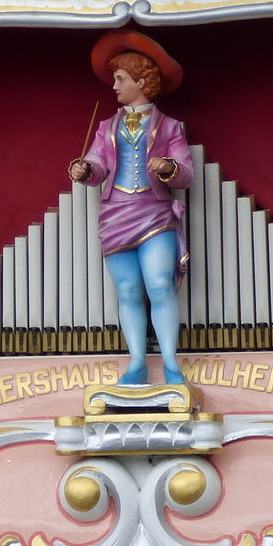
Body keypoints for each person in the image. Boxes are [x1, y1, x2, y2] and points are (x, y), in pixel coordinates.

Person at [67, 30, 194, 385]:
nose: (114, 86)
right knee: (127, 290)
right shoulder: (106, 127)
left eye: (120, 79)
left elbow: (186, 173)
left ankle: (171, 364)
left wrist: (168, 167)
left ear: (141, 81)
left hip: (154, 213)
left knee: (160, 284)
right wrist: (85, 170)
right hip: (115, 215)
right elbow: (98, 163)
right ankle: (136, 363)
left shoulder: (169, 127)